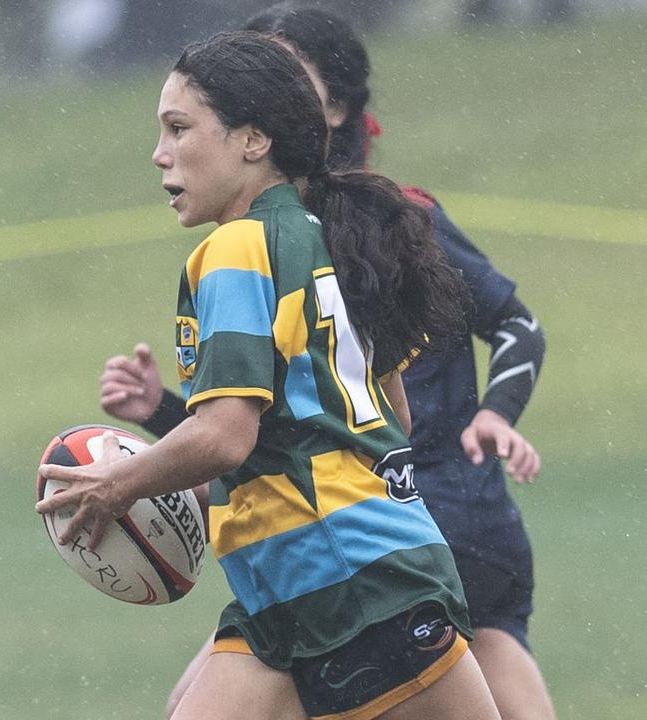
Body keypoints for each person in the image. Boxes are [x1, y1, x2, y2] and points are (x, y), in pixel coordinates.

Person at [100, 6, 553, 718]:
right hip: (310, 586)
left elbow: (226, 436)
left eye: (179, 128)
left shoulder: (235, 251)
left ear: (253, 139)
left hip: (353, 585)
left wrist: (114, 488)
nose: (160, 152)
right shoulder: (329, 237)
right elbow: (385, 413)